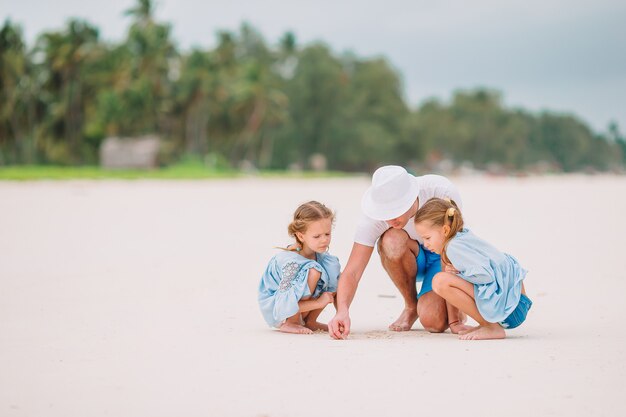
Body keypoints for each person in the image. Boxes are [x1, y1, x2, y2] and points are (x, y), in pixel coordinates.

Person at [328, 165, 468, 340]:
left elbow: (456, 249)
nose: (390, 219)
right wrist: (342, 311)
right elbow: (352, 272)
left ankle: (459, 306)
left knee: (434, 322)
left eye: (395, 211)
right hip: (413, 257)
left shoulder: (441, 192)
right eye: (385, 213)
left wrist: (454, 318)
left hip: (445, 256)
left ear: (411, 199)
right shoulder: (372, 218)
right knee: (392, 239)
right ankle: (411, 306)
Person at [413, 198, 532, 340]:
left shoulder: (453, 247)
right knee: (445, 278)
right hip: (516, 302)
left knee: (440, 281)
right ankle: (488, 324)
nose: (425, 245)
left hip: (511, 311)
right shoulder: (462, 235)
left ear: (445, 230)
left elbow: (486, 275)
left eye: (427, 238)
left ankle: (491, 327)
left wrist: (460, 274)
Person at [259, 201, 341, 334]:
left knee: (334, 272)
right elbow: (282, 305)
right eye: (317, 236)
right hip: (279, 309)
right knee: (313, 271)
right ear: (301, 236)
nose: (324, 240)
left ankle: (310, 321)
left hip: (298, 305)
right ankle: (292, 322)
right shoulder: (290, 263)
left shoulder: (322, 258)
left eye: (327, 234)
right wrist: (318, 303)